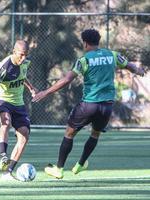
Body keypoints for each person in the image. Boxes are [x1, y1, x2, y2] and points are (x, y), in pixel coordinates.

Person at [32, 29, 146, 179]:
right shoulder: (112, 55)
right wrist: (139, 70)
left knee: (69, 133)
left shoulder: (84, 60)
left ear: (85, 43)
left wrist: (45, 92)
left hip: (89, 105)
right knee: (95, 133)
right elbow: (131, 66)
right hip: (106, 106)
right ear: (98, 41)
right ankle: (80, 164)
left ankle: (59, 169)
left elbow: (66, 80)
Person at [0, 40, 38, 181]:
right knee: (6, 123)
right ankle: (3, 157)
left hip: (18, 103)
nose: (23, 58)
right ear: (14, 52)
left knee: (24, 135)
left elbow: (22, 76)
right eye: (21, 55)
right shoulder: (4, 67)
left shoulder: (26, 62)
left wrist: (31, 87)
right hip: (2, 101)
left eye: (26, 55)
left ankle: (7, 173)